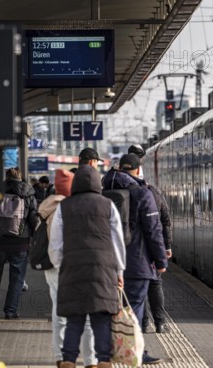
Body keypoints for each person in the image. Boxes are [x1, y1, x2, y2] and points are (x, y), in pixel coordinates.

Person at [48, 165, 126, 367]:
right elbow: (117, 241)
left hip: (73, 268)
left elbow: (55, 243)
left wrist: (60, 265)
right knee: (101, 318)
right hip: (104, 269)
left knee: (75, 318)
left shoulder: (64, 207)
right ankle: (103, 361)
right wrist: (119, 270)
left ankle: (68, 360)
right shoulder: (108, 205)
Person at [102, 153, 167, 364]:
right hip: (136, 262)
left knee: (111, 308)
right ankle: (136, 353)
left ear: (119, 168)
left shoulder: (103, 191)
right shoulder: (142, 193)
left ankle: (109, 350)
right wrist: (160, 261)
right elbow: (154, 231)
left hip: (106, 261)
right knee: (134, 309)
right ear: (138, 170)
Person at [39, 168, 97, 368]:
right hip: (70, 267)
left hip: (55, 268)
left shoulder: (49, 205)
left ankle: (61, 357)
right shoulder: (67, 208)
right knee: (87, 313)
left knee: (59, 313)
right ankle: (89, 360)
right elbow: (59, 243)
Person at [125, 145, 173, 334]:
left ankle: (143, 323)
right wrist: (166, 248)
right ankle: (160, 323)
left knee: (138, 290)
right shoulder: (151, 192)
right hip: (150, 250)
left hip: (128, 251)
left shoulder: (114, 190)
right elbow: (164, 221)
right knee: (154, 284)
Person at [0, 167, 39, 319]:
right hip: (20, 242)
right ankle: (11, 311)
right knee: (17, 278)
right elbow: (33, 219)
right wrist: (33, 240)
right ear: (20, 177)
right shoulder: (28, 192)